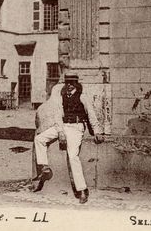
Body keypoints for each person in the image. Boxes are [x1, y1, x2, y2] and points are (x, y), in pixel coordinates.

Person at [33, 71, 104, 204]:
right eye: (67, 83)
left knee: (73, 156)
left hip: (76, 127)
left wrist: (97, 131)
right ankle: (44, 167)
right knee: (40, 139)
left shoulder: (82, 96)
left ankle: (82, 190)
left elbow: (91, 114)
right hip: (63, 125)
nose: (70, 85)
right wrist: (60, 132)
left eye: (72, 83)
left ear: (76, 83)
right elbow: (57, 115)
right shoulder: (62, 96)